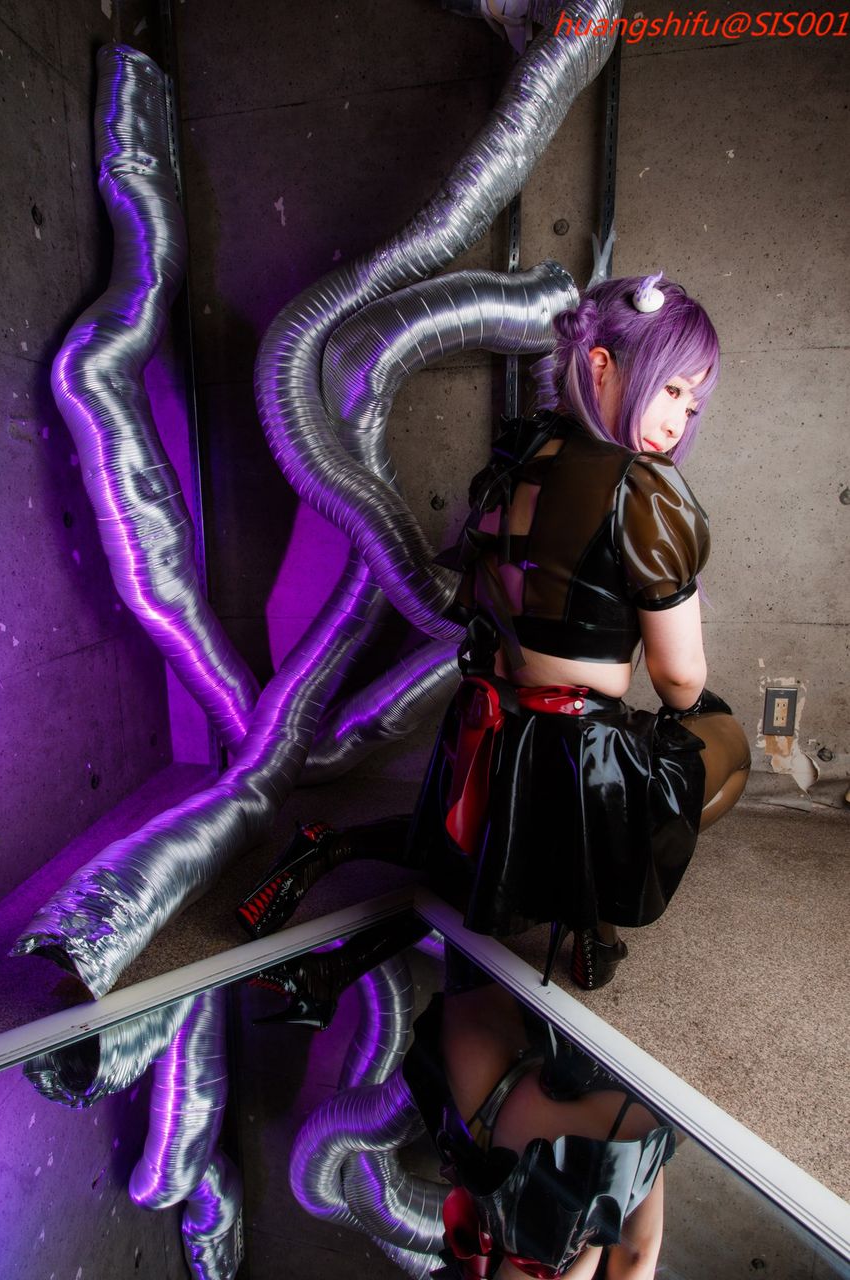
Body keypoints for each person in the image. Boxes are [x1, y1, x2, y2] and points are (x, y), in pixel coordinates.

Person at [237, 271, 751, 990]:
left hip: (486, 724)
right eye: (669, 390)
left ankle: (330, 844)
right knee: (722, 741)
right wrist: (689, 702)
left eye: (691, 403)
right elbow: (678, 677)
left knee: (465, 845)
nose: (677, 421)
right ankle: (593, 917)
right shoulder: (643, 487)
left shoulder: (516, 459)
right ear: (601, 365)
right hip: (579, 745)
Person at [403, 949, 674, 1279]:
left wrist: (599, 1229)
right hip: (512, 1115)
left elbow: (639, 1257)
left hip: (618, 1137)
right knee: (480, 941)